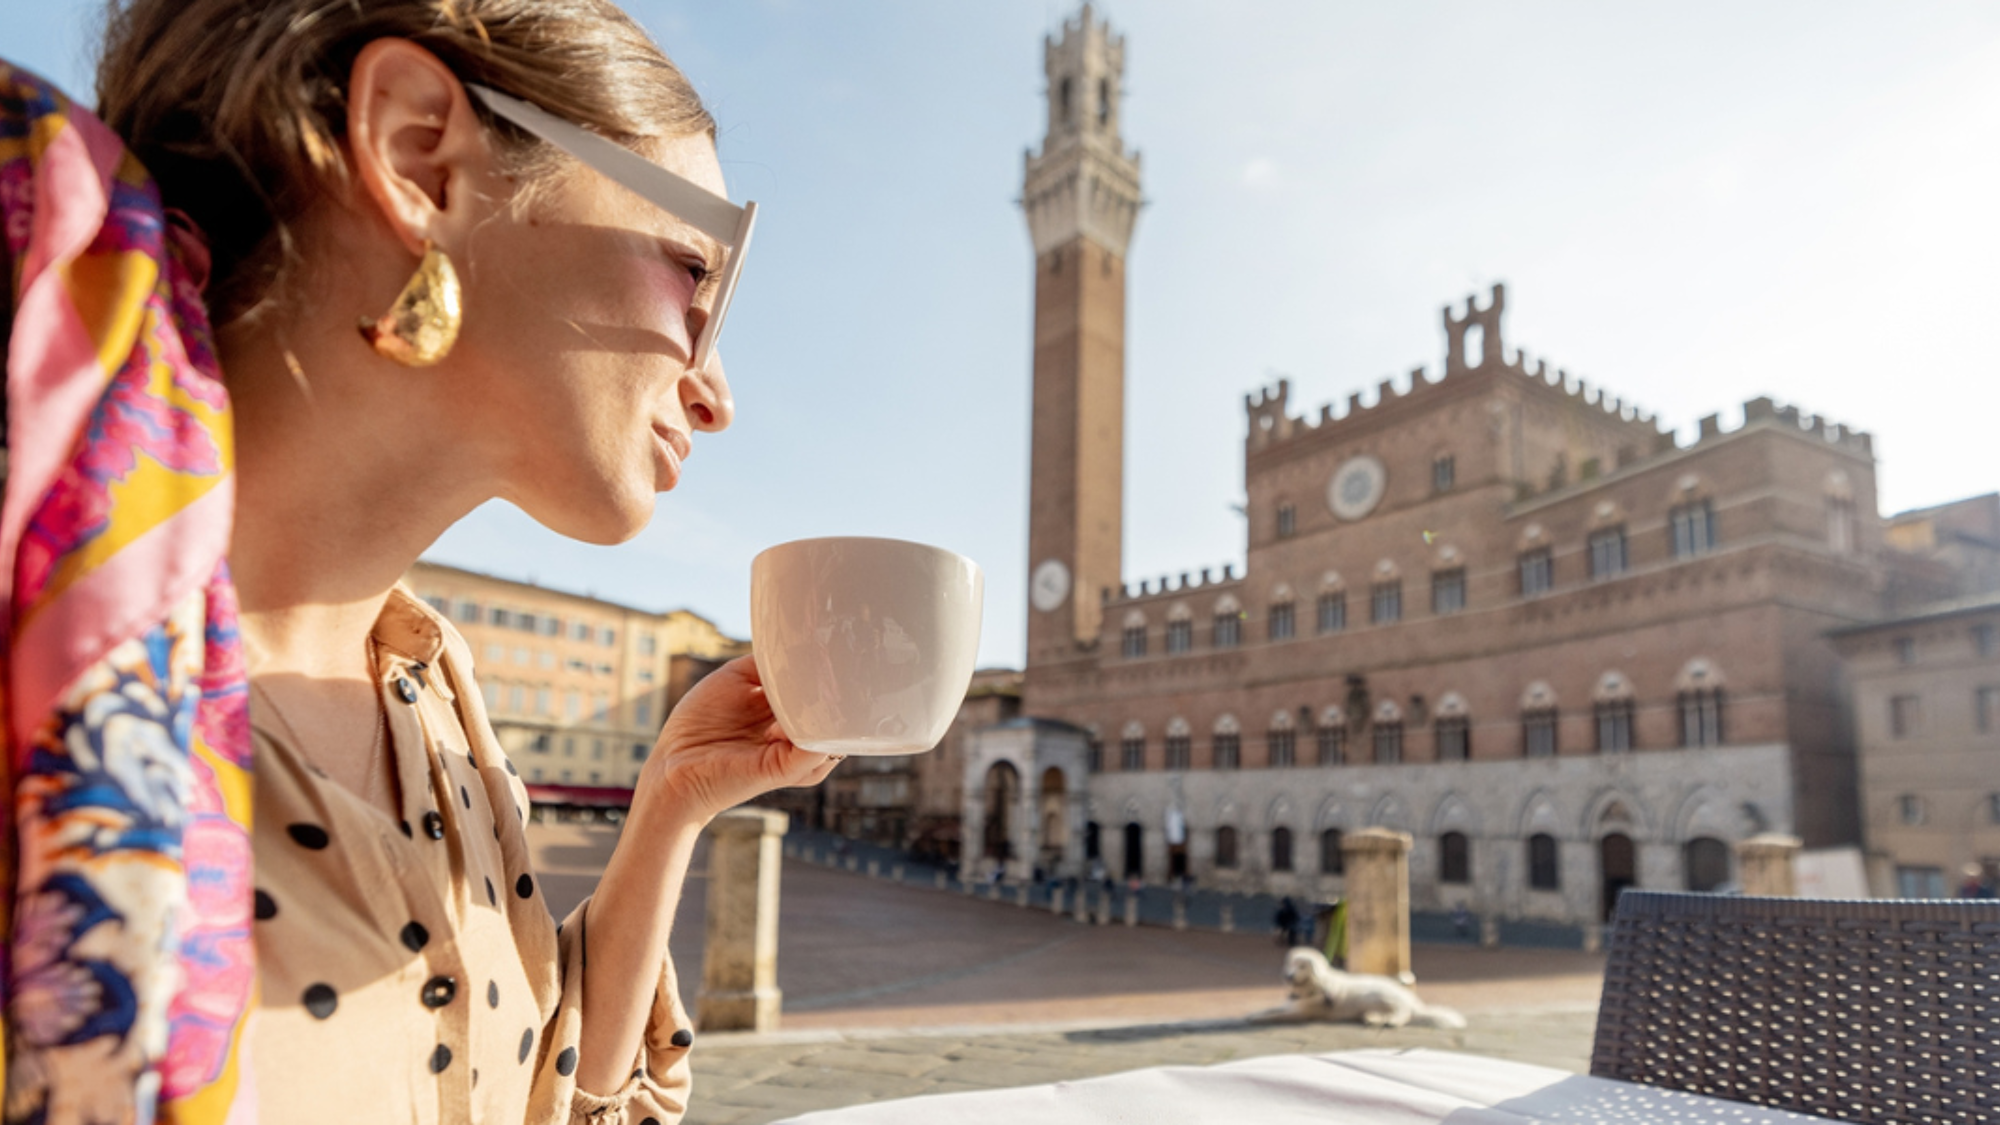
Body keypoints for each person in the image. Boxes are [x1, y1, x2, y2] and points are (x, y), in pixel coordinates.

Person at [3, 2, 842, 1122]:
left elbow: (528, 1093)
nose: (716, 391)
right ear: (420, 158)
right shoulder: (34, 651)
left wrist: (670, 809)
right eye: (699, 275)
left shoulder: (427, 686)